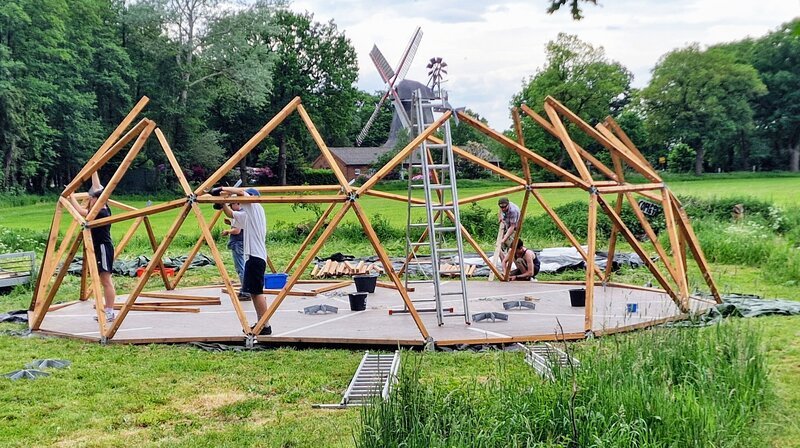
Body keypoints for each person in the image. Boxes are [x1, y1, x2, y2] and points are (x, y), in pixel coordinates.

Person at [211, 186, 270, 335]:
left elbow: (240, 193)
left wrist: (222, 189)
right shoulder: (249, 215)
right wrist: (223, 204)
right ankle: (261, 323)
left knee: (257, 292)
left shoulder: (255, 206)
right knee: (254, 292)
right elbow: (231, 214)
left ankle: (265, 325)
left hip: (256, 256)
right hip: (252, 256)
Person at [68, 173, 117, 323]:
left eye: (92, 198)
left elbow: (82, 212)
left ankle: (109, 311)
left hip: (103, 247)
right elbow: (97, 186)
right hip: (100, 247)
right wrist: (95, 170)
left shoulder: (100, 212)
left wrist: (71, 197)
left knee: (105, 280)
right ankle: (108, 309)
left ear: (98, 200)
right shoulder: (100, 208)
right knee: (104, 280)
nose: (90, 200)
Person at [220, 201, 248, 300]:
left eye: (231, 205)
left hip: (237, 243)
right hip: (240, 243)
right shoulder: (243, 213)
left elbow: (237, 230)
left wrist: (227, 231)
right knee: (242, 266)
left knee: (241, 268)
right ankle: (246, 289)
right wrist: (230, 222)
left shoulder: (240, 214)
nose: (231, 208)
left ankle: (246, 291)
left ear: (237, 204)